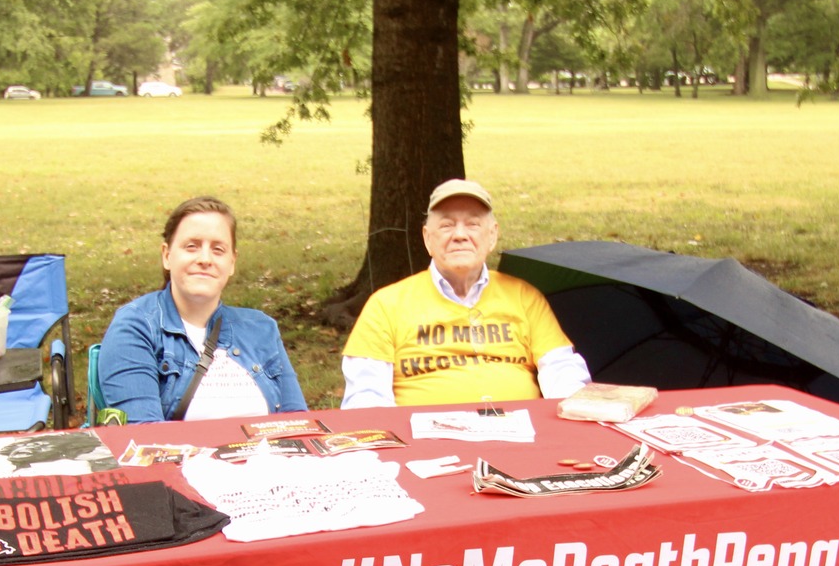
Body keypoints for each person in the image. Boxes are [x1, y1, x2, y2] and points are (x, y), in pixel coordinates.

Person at [341, 179, 590, 408]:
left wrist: (578, 416)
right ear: (427, 238)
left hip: (522, 438)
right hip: (426, 445)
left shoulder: (524, 297)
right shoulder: (386, 305)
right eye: (447, 225)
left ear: (492, 235)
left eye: (473, 224)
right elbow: (365, 398)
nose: (460, 235)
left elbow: (562, 370)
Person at [97, 196, 307, 423]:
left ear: (232, 262)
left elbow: (297, 423)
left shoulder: (261, 329)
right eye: (191, 246)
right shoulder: (136, 326)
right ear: (167, 256)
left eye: (218, 249)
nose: (205, 259)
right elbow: (145, 438)